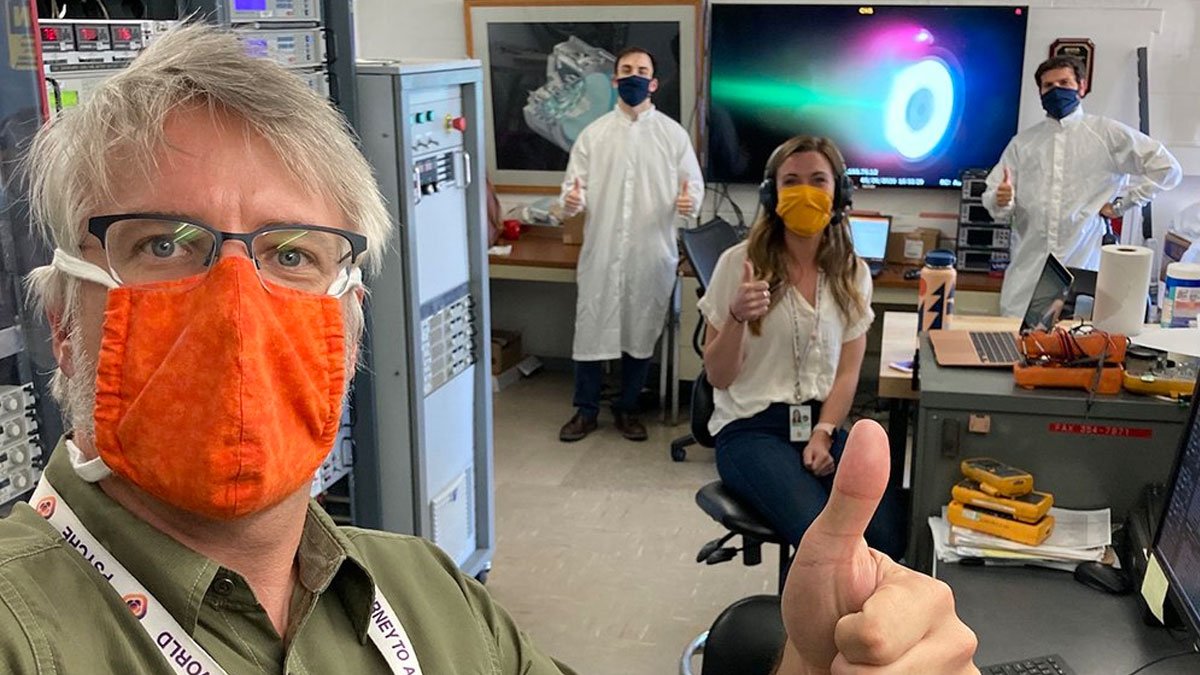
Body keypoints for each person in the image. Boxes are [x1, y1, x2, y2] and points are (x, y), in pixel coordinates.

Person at [0, 26, 979, 674]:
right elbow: (577, 207)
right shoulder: (23, 627)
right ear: (61, 319)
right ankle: (596, 404)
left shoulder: (431, 602)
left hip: (648, 270)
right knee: (598, 345)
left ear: (349, 318)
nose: (235, 302)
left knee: (634, 345)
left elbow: (691, 205)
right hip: (612, 273)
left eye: (292, 254)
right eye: (163, 246)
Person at [698, 135, 906, 560]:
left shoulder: (851, 273)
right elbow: (718, 376)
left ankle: (861, 623)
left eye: (818, 180)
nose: (805, 191)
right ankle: (815, 625)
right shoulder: (738, 265)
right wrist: (736, 317)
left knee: (886, 535)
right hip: (750, 429)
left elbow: (848, 371)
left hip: (819, 423)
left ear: (838, 193)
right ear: (773, 194)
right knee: (824, 541)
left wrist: (824, 433)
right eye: (791, 181)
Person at [557, 46, 704, 443]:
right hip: (602, 252)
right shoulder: (594, 135)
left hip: (651, 254)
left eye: (643, 70)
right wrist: (571, 200)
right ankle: (585, 410)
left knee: (641, 332)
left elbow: (693, 188)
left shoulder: (673, 136)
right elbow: (573, 189)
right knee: (590, 329)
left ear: (653, 83)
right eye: (627, 70)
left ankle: (627, 408)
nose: (634, 76)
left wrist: (690, 203)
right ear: (615, 80)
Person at [982, 55, 1182, 317]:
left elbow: (1167, 168)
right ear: (1040, 92)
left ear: (1082, 86)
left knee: (1077, 349)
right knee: (1017, 349)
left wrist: (1123, 204)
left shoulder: (1106, 135)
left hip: (1083, 273)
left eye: (1064, 82)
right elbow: (996, 204)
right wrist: (1002, 198)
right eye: (1048, 86)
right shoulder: (1023, 144)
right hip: (1027, 277)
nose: (1056, 91)